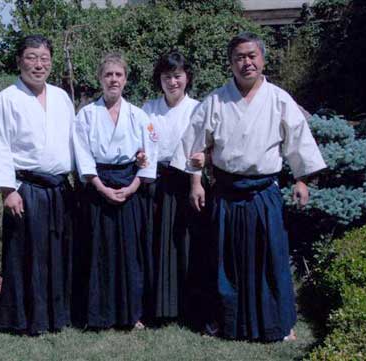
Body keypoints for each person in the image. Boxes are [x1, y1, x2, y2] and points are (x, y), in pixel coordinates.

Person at [170, 32, 327, 342]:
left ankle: (277, 324)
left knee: (270, 260)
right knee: (222, 260)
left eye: (252, 55)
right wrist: (196, 183)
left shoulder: (280, 99)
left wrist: (301, 179)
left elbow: (298, 141)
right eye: (240, 57)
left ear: (262, 59)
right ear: (231, 63)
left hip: (263, 193)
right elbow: (195, 145)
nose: (247, 62)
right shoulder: (215, 100)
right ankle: (223, 321)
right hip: (226, 193)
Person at [0, 35, 75, 335]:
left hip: (60, 188)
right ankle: (25, 318)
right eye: (32, 57)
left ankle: (56, 316)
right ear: (20, 60)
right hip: (26, 190)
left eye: (45, 58)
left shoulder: (62, 97)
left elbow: (74, 142)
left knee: (57, 255)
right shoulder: (4, 100)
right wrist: (8, 191)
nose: (39, 64)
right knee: (28, 256)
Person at [72, 53, 157, 329]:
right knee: (99, 251)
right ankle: (98, 315)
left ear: (126, 79)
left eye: (118, 74)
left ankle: (131, 314)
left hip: (129, 185)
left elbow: (149, 156)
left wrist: (132, 186)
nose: (113, 79)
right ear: (100, 78)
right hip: (98, 187)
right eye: (108, 74)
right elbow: (82, 156)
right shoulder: (86, 114)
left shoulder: (138, 115)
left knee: (130, 253)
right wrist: (100, 187)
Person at [141, 51, 201, 321]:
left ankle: (188, 307)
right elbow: (140, 145)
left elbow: (205, 147)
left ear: (186, 78)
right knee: (155, 242)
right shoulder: (148, 109)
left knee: (185, 242)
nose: (172, 82)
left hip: (187, 180)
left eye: (177, 76)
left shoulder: (198, 109)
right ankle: (157, 306)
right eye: (167, 77)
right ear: (159, 80)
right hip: (156, 181)